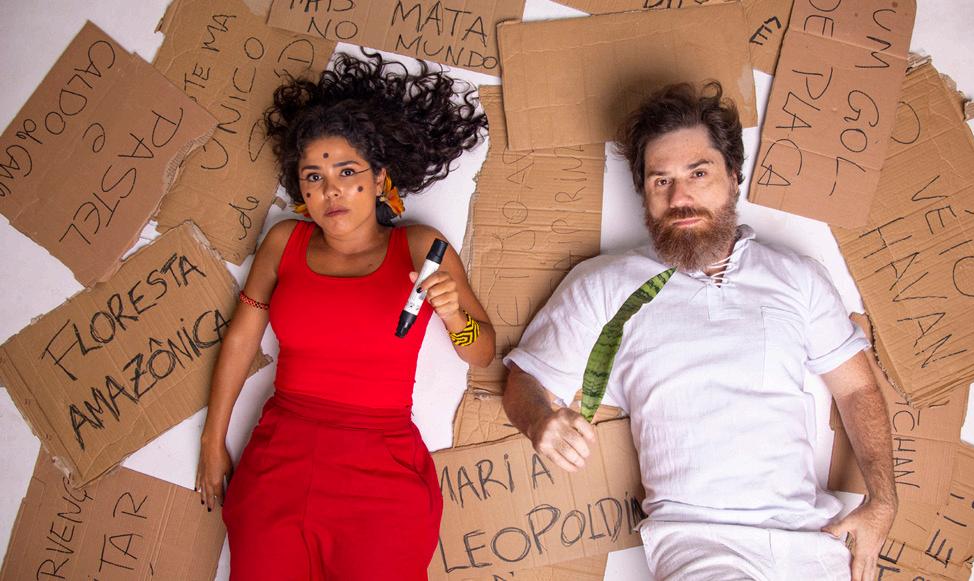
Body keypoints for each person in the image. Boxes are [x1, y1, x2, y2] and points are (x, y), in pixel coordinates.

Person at [501, 82, 896, 581]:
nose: (680, 197)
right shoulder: (604, 285)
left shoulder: (797, 278)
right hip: (698, 542)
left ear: (733, 176)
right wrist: (540, 420)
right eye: (660, 180)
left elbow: (856, 388)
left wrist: (883, 500)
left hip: (813, 539)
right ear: (644, 193)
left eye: (698, 173)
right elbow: (524, 383)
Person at [194, 52, 495, 580]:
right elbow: (241, 341)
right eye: (313, 176)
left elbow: (483, 353)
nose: (330, 189)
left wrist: (453, 316)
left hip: (382, 478)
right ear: (302, 190)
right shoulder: (283, 242)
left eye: (347, 171)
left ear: (380, 179)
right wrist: (211, 441)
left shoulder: (421, 247)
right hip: (278, 466)